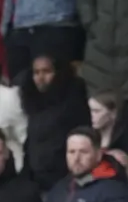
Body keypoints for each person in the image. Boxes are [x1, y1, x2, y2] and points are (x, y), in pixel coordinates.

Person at [20, 53, 91, 192]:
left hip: (66, 179)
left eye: (46, 71)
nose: (40, 77)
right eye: (36, 72)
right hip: (37, 179)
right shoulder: (32, 103)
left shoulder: (74, 101)